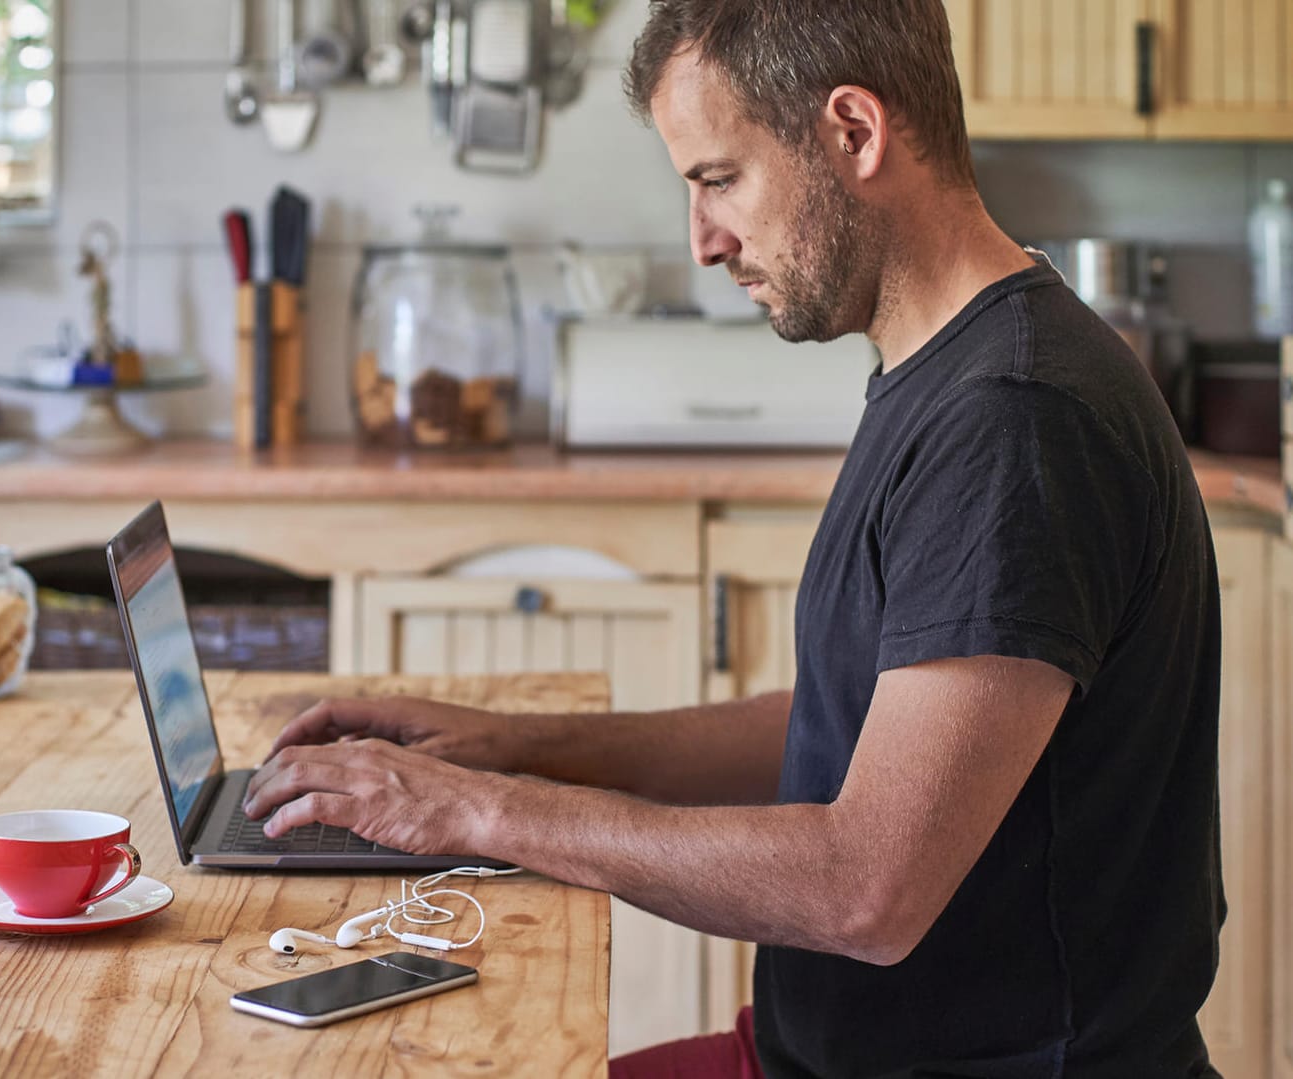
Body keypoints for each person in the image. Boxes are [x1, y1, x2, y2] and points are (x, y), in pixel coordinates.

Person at [242, 1, 1225, 1074]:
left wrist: (480, 809)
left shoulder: (1016, 418)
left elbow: (866, 884)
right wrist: (504, 744)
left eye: (718, 180)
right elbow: (853, 725)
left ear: (853, 132)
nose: (705, 240)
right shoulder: (949, 368)